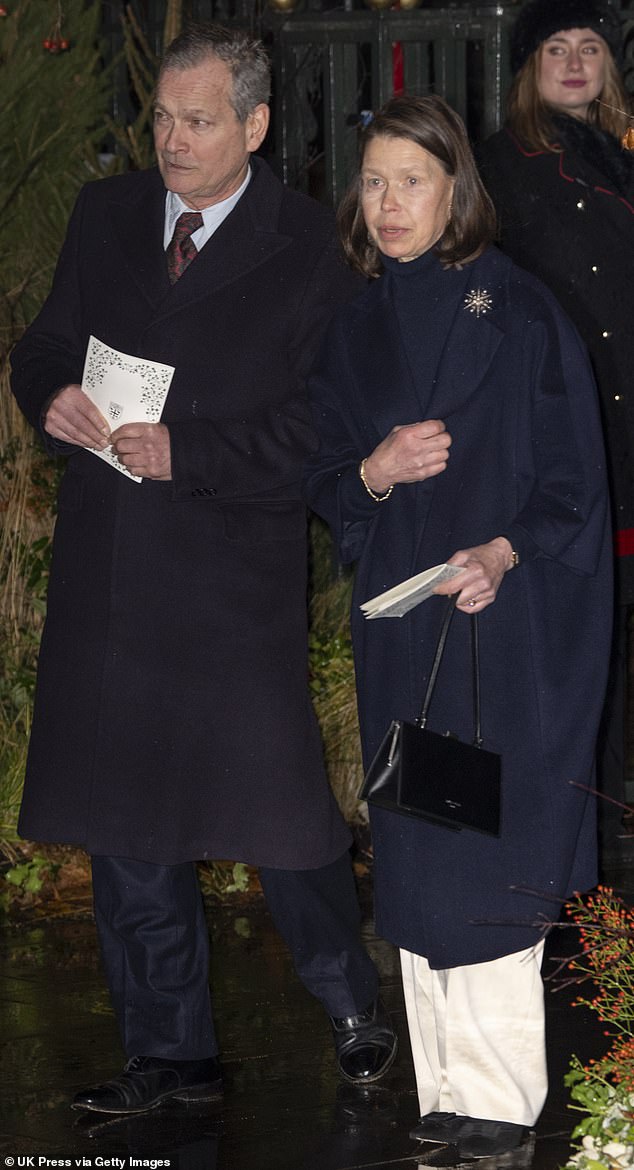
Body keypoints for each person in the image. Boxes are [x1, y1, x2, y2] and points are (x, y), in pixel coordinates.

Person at [9, 22, 397, 1115]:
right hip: (114, 572)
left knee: (282, 821)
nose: (170, 141)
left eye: (198, 120)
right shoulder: (107, 216)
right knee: (127, 823)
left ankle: (351, 1007)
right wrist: (50, 398)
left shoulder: (315, 245)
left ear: (256, 126)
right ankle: (167, 1052)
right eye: (161, 118)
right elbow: (44, 343)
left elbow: (329, 422)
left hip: (231, 576)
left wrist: (197, 453)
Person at [303, 94, 612, 1160]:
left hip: (507, 628)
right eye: (374, 181)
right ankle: (446, 1096)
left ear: (455, 190)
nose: (388, 204)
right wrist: (371, 476)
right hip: (404, 634)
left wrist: (501, 551)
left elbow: (576, 479)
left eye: (412, 181)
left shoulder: (519, 313)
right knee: (418, 850)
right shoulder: (352, 325)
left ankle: (497, 1105)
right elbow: (325, 471)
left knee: (486, 857)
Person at [477, 0, 634, 863]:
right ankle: (579, 855)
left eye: (591, 48)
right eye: (556, 48)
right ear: (529, 66)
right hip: (561, 438)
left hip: (631, 432)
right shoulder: (499, 166)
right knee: (574, 654)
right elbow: (477, 290)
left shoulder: (626, 157)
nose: (575, 62)